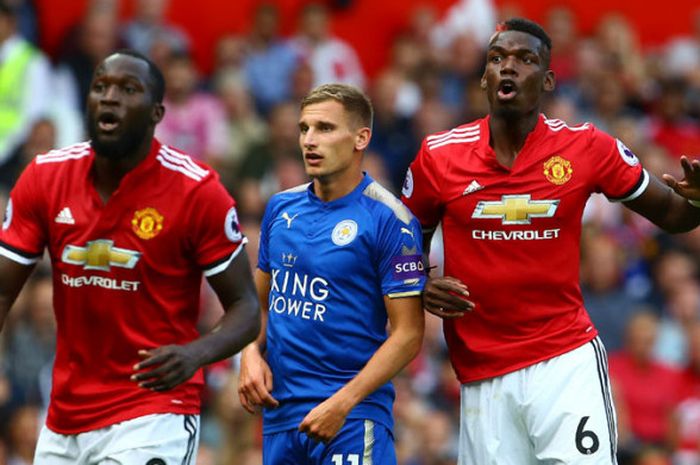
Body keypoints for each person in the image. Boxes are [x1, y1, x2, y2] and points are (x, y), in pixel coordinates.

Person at [401, 17, 700, 465]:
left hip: (563, 360)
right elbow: (404, 238)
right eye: (497, 58)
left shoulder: (587, 147)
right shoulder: (439, 156)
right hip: (482, 372)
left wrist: (696, 203)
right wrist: (419, 281)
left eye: (525, 59)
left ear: (549, 79)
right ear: (484, 77)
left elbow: (672, 215)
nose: (508, 68)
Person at [0, 50, 260, 464]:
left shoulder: (197, 192)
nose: (109, 97)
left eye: (128, 89)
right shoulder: (44, 178)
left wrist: (195, 353)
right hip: (65, 417)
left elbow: (246, 308)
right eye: (100, 86)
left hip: (155, 412)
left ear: (157, 112)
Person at [237, 83, 426, 464]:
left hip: (352, 418)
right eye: (304, 128)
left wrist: (344, 402)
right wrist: (248, 355)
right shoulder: (280, 208)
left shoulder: (391, 220)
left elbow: (408, 334)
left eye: (324, 128)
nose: (309, 140)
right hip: (281, 417)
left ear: (361, 137)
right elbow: (257, 305)